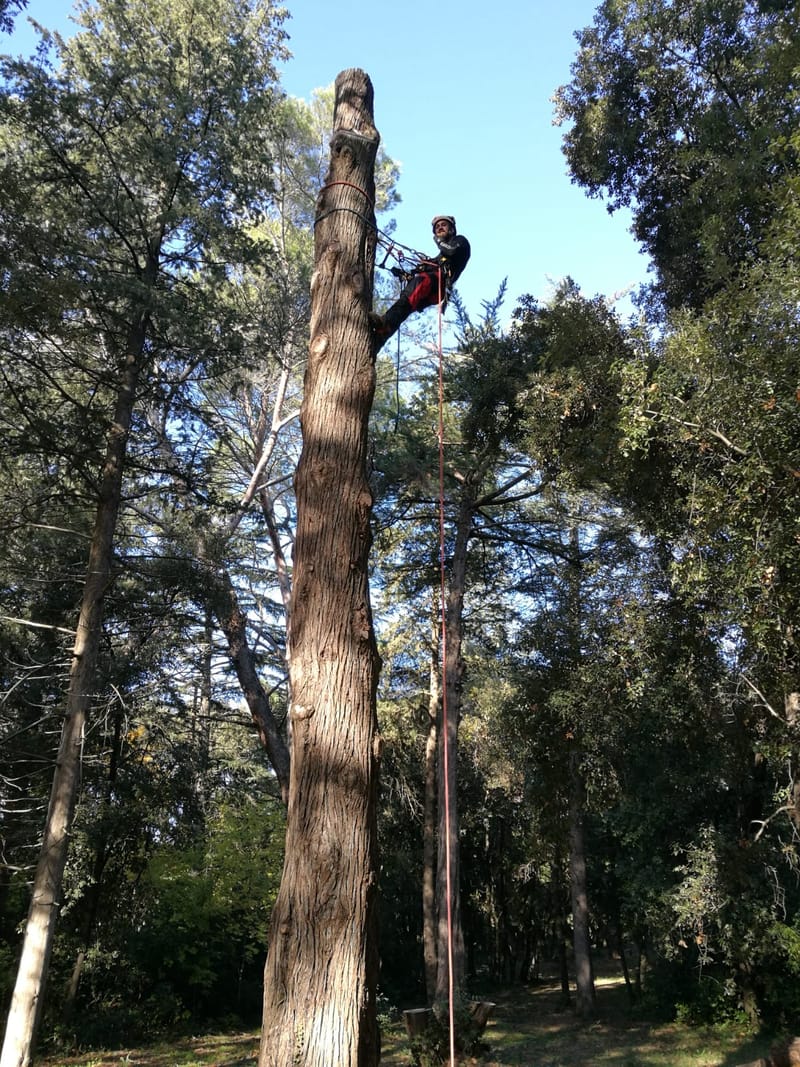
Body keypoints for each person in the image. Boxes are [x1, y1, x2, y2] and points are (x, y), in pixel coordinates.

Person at [370, 215, 470, 347]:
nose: (440, 228)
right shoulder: (439, 257)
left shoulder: (460, 241)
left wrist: (438, 241)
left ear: (452, 229)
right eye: (437, 227)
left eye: (443, 225)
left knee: (419, 283)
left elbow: (451, 251)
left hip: (439, 285)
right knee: (406, 305)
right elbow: (423, 269)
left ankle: (385, 322)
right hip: (431, 288)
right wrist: (405, 274)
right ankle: (380, 337)